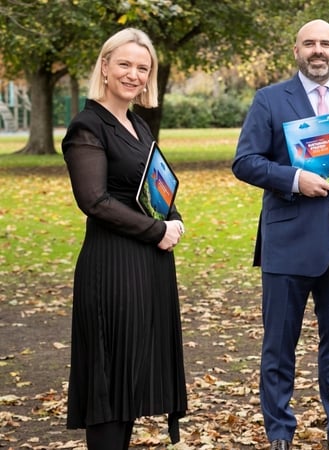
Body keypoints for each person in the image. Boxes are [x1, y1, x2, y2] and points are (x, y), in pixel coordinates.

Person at [232, 19, 329, 450]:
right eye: (309, 44)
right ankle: (280, 431)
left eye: (325, 43)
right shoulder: (269, 100)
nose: (317, 50)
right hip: (288, 243)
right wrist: (293, 178)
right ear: (296, 50)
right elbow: (245, 161)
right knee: (278, 347)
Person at [61, 28, 187, 449]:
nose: (133, 74)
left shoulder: (137, 123)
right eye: (125, 64)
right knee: (110, 379)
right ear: (105, 66)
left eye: (142, 68)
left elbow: (155, 185)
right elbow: (94, 200)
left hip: (147, 266)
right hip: (112, 267)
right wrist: (158, 230)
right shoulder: (87, 124)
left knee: (131, 377)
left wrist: (174, 217)